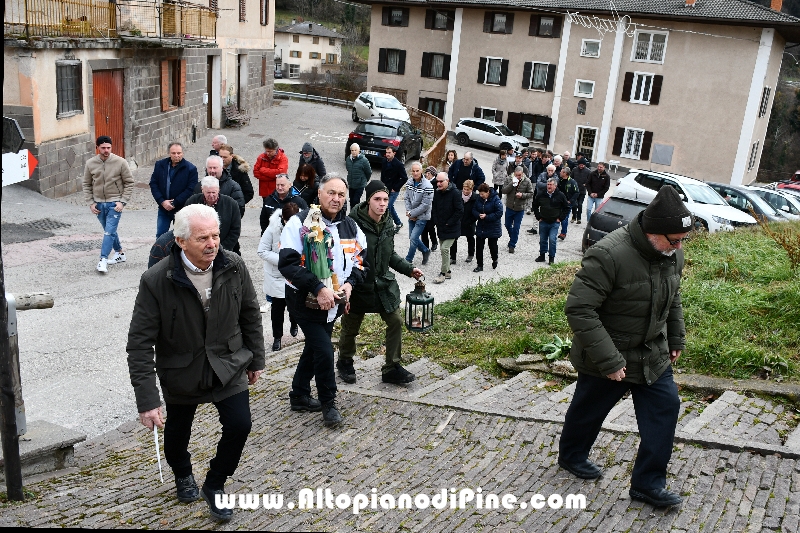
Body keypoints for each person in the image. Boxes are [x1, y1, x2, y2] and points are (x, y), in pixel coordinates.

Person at [127, 204, 265, 522]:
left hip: (228, 363)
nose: (212, 244)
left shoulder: (233, 266)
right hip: (182, 371)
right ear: (181, 241)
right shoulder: (156, 280)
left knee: (240, 424)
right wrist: (148, 401)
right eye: (203, 237)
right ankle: (182, 472)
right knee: (178, 433)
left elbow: (249, 312)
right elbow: (139, 344)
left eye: (215, 235)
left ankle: (215, 483)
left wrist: (256, 358)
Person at [559, 186, 693, 508]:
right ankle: (572, 455)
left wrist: (675, 336)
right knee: (588, 411)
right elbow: (579, 309)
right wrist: (608, 360)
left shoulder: (672, 253)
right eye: (673, 240)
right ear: (651, 231)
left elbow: (672, 296)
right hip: (609, 356)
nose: (678, 247)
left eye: (681, 241)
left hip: (653, 355)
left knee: (666, 408)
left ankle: (648, 484)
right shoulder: (608, 254)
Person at [278, 174, 368, 428]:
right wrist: (318, 287)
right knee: (325, 351)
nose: (336, 199)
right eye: (331, 193)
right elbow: (288, 264)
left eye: (341, 194)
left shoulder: (351, 226)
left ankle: (299, 394)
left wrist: (350, 284)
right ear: (319, 194)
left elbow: (362, 261)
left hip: (334, 304)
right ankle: (329, 403)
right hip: (305, 302)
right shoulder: (299, 223)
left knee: (315, 348)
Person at [338, 181, 424, 385]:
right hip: (358, 285)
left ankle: (391, 367)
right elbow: (343, 257)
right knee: (350, 327)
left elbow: (390, 254)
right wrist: (344, 288)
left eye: (385, 199)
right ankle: (345, 361)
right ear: (368, 200)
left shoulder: (388, 222)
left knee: (395, 321)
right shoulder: (351, 223)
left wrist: (409, 268)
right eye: (377, 199)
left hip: (384, 285)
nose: (382, 204)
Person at [82, 135, 134, 274]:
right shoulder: (90, 163)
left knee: (108, 231)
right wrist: (91, 203)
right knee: (110, 231)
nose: (106, 150)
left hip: (114, 203)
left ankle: (103, 260)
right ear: (97, 148)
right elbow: (86, 184)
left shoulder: (120, 162)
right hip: (99, 204)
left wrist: (122, 202)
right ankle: (120, 253)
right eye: (103, 148)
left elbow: (129, 182)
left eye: (108, 148)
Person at [258, 203, 300, 352]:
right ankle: (277, 337)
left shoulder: (302, 227)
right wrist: (282, 260)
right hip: (276, 275)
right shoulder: (272, 229)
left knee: (294, 306)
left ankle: (294, 323)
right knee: (277, 308)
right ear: (283, 218)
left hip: (294, 274)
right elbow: (262, 251)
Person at [150, 141, 199, 238]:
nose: (176, 155)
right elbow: (153, 183)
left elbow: (190, 189)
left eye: (179, 153)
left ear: (183, 153)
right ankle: (160, 253)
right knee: (160, 235)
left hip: (181, 208)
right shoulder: (160, 165)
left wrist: (175, 202)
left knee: (181, 236)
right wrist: (162, 201)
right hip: (163, 208)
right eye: (173, 153)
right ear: (169, 153)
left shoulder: (191, 169)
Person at [185, 176, 242, 254]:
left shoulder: (231, 204)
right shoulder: (192, 202)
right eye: (208, 192)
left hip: (225, 249)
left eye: (214, 192)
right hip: (199, 249)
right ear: (202, 190)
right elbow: (185, 224)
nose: (211, 195)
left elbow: (235, 230)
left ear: (219, 190)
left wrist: (220, 249)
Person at [432, 172, 463, 284]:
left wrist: (449, 223)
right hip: (441, 227)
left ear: (447, 181)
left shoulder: (455, 193)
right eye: (437, 182)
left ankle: (443, 273)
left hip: (452, 228)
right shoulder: (437, 193)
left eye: (441, 181)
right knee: (444, 250)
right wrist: (436, 221)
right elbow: (434, 208)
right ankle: (448, 271)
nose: (439, 184)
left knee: (444, 249)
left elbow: (459, 211)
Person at [254, 138, 289, 233]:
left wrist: (263, 170)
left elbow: (281, 173)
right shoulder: (261, 157)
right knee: (266, 214)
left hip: (277, 191)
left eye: (270, 151)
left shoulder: (283, 158)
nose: (267, 153)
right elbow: (256, 173)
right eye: (266, 151)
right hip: (265, 192)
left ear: (276, 149)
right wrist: (273, 177)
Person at [532, 177, 570, 265]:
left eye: (551, 185)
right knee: (542, 239)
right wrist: (538, 217)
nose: (549, 186)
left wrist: (560, 218)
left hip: (554, 223)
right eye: (548, 184)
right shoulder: (541, 194)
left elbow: (567, 208)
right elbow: (534, 206)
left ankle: (551, 258)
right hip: (543, 221)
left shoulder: (560, 195)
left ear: (555, 186)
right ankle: (542, 255)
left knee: (552, 240)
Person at [404, 161, 434, 265]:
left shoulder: (428, 186)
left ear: (421, 171)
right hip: (411, 214)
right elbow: (406, 198)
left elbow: (425, 205)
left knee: (413, 238)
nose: (415, 173)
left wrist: (412, 214)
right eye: (413, 171)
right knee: (412, 237)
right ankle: (425, 250)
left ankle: (408, 259)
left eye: (417, 171)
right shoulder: (409, 182)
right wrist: (409, 212)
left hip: (422, 216)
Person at [501, 166, 533, 254]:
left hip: (520, 208)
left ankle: (512, 245)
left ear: (522, 174)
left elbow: (531, 193)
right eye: (516, 175)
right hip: (510, 206)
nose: (518, 177)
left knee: (516, 227)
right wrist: (512, 183)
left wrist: (522, 195)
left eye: (519, 175)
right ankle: (513, 238)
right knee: (507, 224)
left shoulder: (527, 181)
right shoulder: (509, 179)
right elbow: (503, 191)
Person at [472, 183, 503, 272]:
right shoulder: (479, 199)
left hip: (493, 227)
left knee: (492, 246)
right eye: (480, 194)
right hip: (481, 226)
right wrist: (478, 215)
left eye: (482, 194)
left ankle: (494, 259)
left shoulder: (496, 199)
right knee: (479, 246)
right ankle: (480, 265)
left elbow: (499, 213)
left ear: (488, 192)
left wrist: (487, 217)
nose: (481, 196)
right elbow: (474, 209)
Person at [218, 144, 255, 208]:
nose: (222, 159)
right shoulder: (213, 168)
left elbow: (249, 192)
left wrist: (237, 205)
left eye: (225, 157)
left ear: (231, 156)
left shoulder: (239, 171)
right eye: (220, 156)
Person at [451, 179, 477, 264]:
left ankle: (470, 254)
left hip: (469, 222)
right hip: (458, 221)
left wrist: (470, 221)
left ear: (472, 189)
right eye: (464, 189)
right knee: (454, 239)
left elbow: (476, 211)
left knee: (470, 238)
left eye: (468, 190)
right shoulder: (458, 195)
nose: (465, 191)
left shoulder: (475, 198)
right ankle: (453, 257)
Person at [380, 146, 407, 229]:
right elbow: (383, 174)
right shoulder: (384, 161)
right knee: (389, 206)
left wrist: (395, 187)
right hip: (385, 188)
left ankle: (387, 225)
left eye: (389, 153)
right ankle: (398, 223)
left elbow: (404, 178)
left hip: (393, 190)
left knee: (388, 206)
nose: (387, 154)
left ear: (394, 153)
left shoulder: (398, 165)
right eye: (386, 152)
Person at [420, 166, 440, 252]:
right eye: (426, 173)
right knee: (423, 228)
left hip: (432, 209)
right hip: (423, 208)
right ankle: (425, 247)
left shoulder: (436, 184)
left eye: (428, 173)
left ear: (432, 174)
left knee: (430, 227)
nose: (426, 175)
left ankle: (434, 242)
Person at [557, 167, 580, 240]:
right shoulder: (559, 180)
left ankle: (563, 233)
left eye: (561, 172)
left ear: (565, 173)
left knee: (564, 218)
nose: (560, 173)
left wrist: (570, 201)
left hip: (567, 203)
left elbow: (577, 192)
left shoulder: (572, 182)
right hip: (559, 202)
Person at [571, 158, 592, 224]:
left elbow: (590, 180)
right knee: (574, 204)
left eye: (583, 165)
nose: (581, 166)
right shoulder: (574, 170)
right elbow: (571, 178)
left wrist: (586, 184)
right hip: (574, 190)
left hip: (582, 191)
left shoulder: (588, 171)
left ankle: (579, 218)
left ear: (585, 165)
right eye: (580, 165)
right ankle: (574, 217)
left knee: (580, 204)